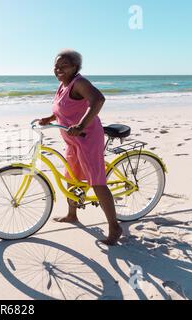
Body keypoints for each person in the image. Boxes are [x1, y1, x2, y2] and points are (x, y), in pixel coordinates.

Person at [39, 49, 122, 246]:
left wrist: (82, 125)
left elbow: (98, 100)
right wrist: (49, 118)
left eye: (64, 65)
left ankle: (114, 227)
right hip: (72, 139)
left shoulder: (80, 83)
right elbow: (63, 108)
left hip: (87, 137)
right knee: (71, 176)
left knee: (96, 181)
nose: (59, 69)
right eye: (56, 66)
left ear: (75, 67)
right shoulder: (63, 84)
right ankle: (72, 214)